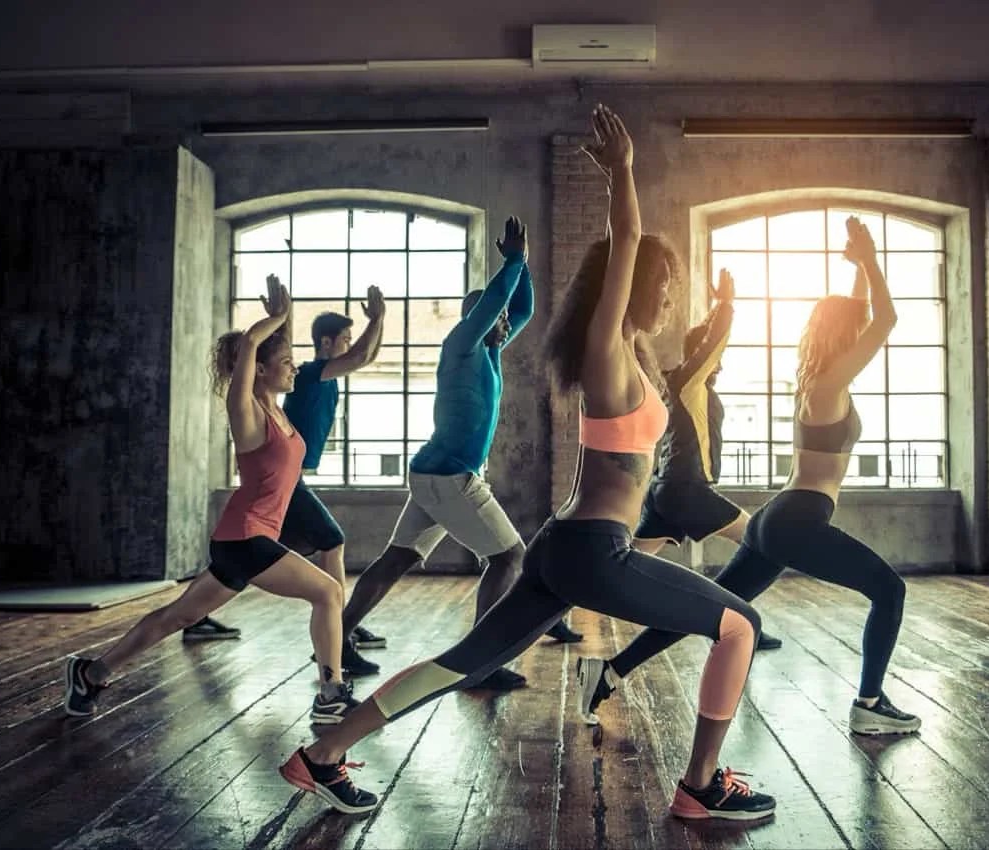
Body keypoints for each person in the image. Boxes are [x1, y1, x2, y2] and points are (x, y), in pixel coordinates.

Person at [277, 105, 775, 822]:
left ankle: (320, 756)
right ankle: (701, 786)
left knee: (466, 662)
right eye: (662, 285)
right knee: (740, 625)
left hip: (563, 548)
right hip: (593, 552)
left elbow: (678, 369)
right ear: (631, 288)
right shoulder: (608, 351)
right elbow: (625, 239)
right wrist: (624, 174)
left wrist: (719, 326)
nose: (669, 297)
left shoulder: (634, 355)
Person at [578, 216, 921, 737]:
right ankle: (870, 703)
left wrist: (855, 272)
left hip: (775, 522)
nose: (861, 332)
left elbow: (861, 317)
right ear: (846, 338)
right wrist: (871, 259)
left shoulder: (816, 381)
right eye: (854, 328)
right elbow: (887, 320)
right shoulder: (828, 386)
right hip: (796, 521)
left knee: (710, 607)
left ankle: (611, 669)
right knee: (889, 590)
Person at [63, 278, 359, 725]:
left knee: (175, 617)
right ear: (258, 370)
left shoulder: (279, 408)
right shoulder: (248, 413)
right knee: (329, 591)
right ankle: (331, 691)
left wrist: (286, 316)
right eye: (286, 363)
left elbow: (271, 353)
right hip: (246, 538)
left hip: (241, 539)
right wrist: (272, 323)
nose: (294, 369)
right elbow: (251, 354)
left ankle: (91, 673)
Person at [335, 215, 574, 694]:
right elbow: (496, 309)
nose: (506, 324)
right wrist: (512, 264)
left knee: (398, 557)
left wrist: (521, 264)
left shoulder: (490, 350)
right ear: (480, 317)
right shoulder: (463, 343)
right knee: (509, 557)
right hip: (452, 478)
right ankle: (478, 662)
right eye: (496, 316)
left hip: (434, 475)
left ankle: (337, 636)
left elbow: (520, 308)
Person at [185, 284, 389, 680]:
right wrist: (377, 320)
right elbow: (362, 356)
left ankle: (201, 613)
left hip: (286, 482)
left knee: (238, 566)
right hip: (285, 482)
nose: (350, 345)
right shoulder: (312, 373)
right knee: (331, 540)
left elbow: (365, 355)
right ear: (326, 342)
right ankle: (339, 634)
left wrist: (288, 316)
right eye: (343, 338)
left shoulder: (307, 374)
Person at [627, 267, 782, 652]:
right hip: (687, 490)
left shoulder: (681, 384)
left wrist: (716, 309)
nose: (721, 362)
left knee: (617, 563)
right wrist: (725, 305)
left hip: (664, 491)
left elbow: (708, 343)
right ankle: (740, 623)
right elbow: (712, 343)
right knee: (763, 545)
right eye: (716, 357)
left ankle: (558, 611)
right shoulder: (688, 382)